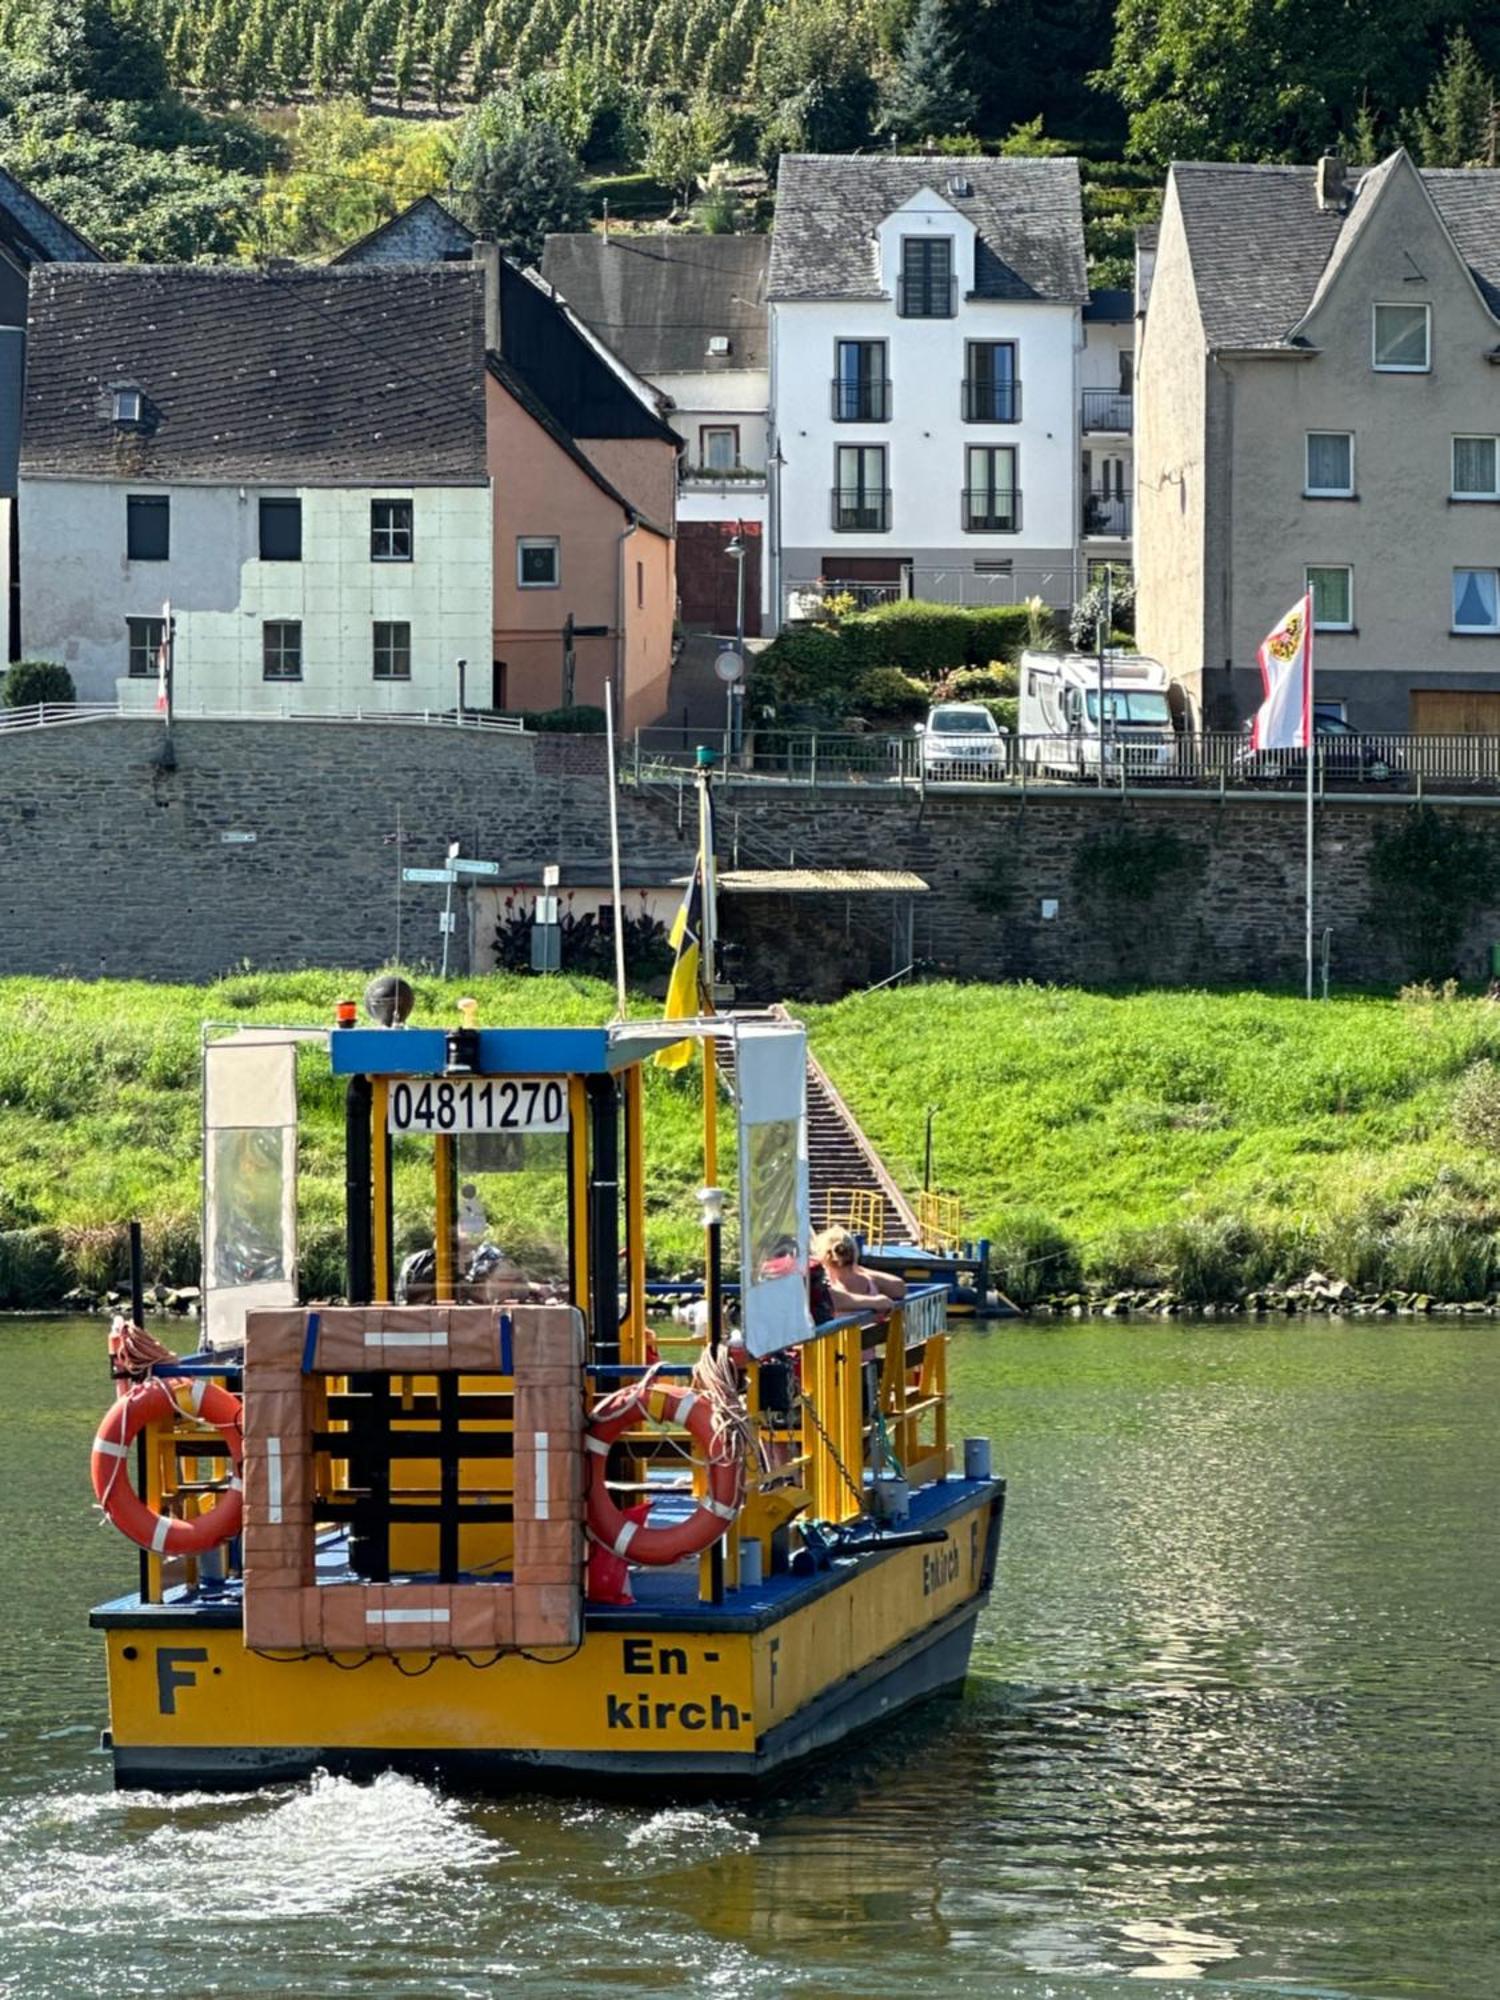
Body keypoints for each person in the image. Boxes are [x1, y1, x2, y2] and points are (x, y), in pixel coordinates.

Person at [809, 1227, 906, 1322]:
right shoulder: (869, 1282)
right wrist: (857, 1266)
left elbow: (831, 1299)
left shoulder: (827, 1285)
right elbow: (899, 1288)